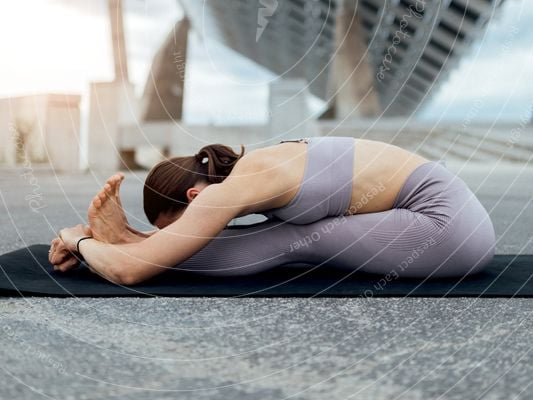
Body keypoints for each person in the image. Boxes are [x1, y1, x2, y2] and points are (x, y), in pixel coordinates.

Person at [49, 137, 496, 285]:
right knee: (284, 236)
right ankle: (134, 241)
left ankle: (131, 242)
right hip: (456, 217)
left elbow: (130, 273)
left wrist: (80, 240)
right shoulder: (258, 168)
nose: (190, 235)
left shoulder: (235, 187)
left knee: (287, 242)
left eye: (176, 230)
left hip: (446, 227)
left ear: (193, 198)